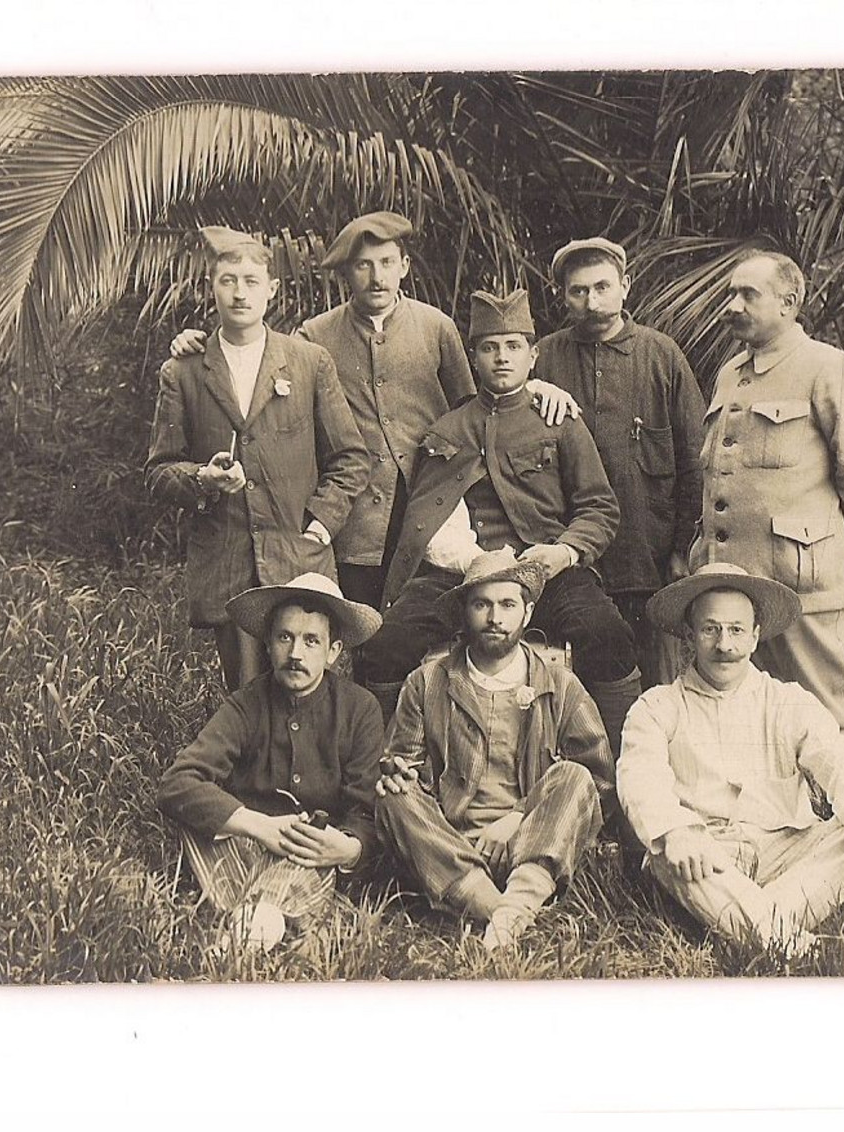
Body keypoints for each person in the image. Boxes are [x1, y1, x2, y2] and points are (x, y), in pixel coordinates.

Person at [167, 211, 579, 610]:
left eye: (386, 263)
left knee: (426, 622)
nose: (377, 277)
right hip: (357, 516)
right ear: (346, 272)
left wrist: (533, 386)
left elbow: (476, 406)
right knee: (362, 627)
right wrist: (195, 340)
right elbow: (261, 370)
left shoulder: (435, 327)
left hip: (431, 502)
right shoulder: (314, 336)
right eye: (363, 265)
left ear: (404, 266)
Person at [356, 288, 643, 752]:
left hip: (547, 571)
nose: (502, 358)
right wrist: (471, 563)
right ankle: (383, 775)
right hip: (459, 575)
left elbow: (599, 507)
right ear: (473, 358)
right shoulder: (447, 430)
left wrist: (564, 552)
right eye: (489, 348)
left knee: (605, 634)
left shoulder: (560, 421)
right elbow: (427, 519)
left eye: (513, 347)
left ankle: (617, 770)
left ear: (533, 356)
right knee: (387, 643)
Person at [617, 563, 844, 956]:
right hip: (708, 855)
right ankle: (784, 938)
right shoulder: (657, 706)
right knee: (666, 853)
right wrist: (676, 832)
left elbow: (839, 756)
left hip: (787, 851)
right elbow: (641, 777)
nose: (725, 645)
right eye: (710, 629)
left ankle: (751, 925)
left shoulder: (786, 701)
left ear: (755, 637)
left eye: (737, 630)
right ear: (689, 635)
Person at [144, 226, 370, 690]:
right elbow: (158, 472)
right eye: (228, 281)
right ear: (212, 287)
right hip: (231, 567)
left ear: (271, 289)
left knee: (314, 694)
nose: (239, 293)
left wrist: (319, 525)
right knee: (248, 699)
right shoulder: (184, 372)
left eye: (250, 281)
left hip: (300, 557)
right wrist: (202, 479)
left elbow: (350, 458)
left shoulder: (309, 362)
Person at [693, 251, 844, 737]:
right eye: (730, 294)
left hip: (803, 585)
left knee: (829, 718)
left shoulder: (830, 369)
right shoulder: (731, 374)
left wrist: (828, 541)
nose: (733, 305)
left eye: (748, 295)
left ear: (789, 303)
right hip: (736, 586)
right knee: (752, 723)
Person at [375, 549, 612, 949]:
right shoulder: (428, 681)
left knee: (576, 776)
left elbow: (598, 778)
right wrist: (398, 777)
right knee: (393, 797)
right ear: (464, 611)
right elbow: (406, 765)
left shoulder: (558, 683)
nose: (495, 618)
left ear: (528, 612)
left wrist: (519, 818)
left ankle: (516, 902)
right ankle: (498, 910)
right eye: (481, 604)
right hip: (451, 843)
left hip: (534, 839)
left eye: (507, 604)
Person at [157, 573, 386, 956]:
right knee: (200, 821)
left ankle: (242, 935)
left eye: (312, 641)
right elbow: (178, 783)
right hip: (248, 842)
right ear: (267, 644)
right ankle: (285, 924)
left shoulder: (359, 709)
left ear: (333, 651)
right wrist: (260, 827)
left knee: (306, 857)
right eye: (285, 637)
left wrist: (347, 850)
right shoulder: (246, 705)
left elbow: (366, 811)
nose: (296, 653)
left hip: (313, 852)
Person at [534, 238, 706, 685]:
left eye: (602, 287)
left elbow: (695, 461)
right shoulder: (544, 358)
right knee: (577, 691)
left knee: (658, 688)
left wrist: (682, 551)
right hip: (569, 561)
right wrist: (533, 388)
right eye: (578, 291)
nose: (592, 302)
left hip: (647, 559)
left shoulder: (661, 357)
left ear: (625, 287)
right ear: (562, 295)